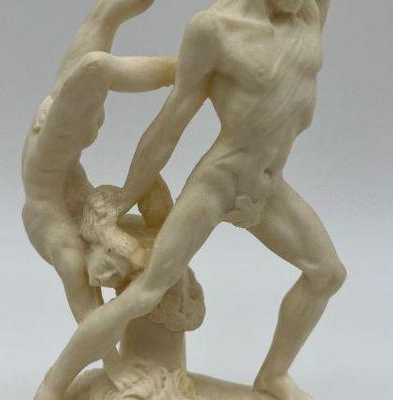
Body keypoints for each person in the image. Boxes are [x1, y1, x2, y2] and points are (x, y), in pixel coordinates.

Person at [35, 1, 346, 400]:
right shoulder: (213, 30)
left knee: (327, 274)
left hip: (268, 188)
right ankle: (53, 383)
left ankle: (274, 375)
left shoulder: (308, 14)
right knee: (145, 293)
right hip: (221, 181)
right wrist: (128, 194)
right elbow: (171, 122)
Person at [22, 0, 175, 390]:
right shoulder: (65, 242)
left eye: (112, 275)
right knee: (94, 62)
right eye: (115, 274)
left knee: (105, 19)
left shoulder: (80, 217)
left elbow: (98, 38)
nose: (107, 281)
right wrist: (181, 71)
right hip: (50, 186)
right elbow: (89, 311)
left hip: (59, 172)